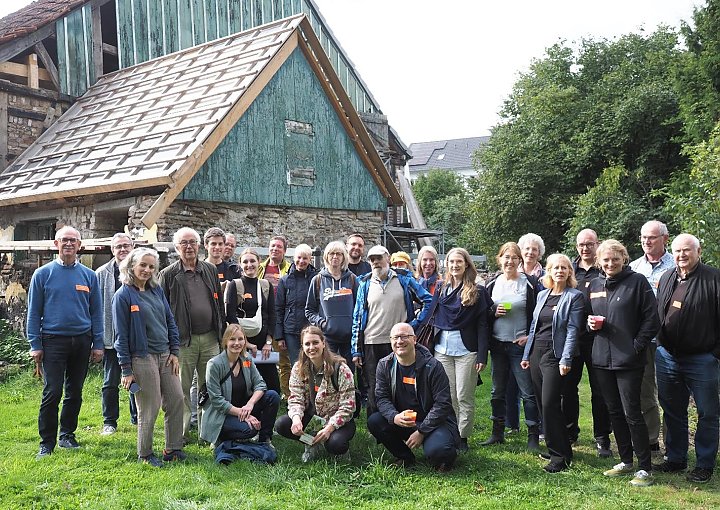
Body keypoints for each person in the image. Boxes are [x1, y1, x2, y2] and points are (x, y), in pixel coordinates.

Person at [28, 226, 104, 459]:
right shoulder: (42, 274)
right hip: (53, 341)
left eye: (73, 240)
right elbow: (33, 312)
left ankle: (67, 436)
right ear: (56, 244)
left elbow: (96, 312)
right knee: (53, 391)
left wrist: (98, 344)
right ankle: (46, 443)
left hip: (82, 340)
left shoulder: (89, 276)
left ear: (80, 246)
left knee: (75, 391)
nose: (69, 244)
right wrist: (35, 344)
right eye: (64, 240)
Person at [588, 240, 659, 487]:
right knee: (614, 411)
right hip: (601, 359)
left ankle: (645, 468)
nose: (610, 264)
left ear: (624, 258)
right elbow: (594, 315)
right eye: (605, 260)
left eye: (615, 259)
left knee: (632, 412)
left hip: (629, 360)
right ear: (599, 261)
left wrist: (636, 346)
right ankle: (626, 461)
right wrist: (591, 324)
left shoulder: (637, 282)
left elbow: (653, 319)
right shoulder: (595, 284)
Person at [654, 233, 720, 484]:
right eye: (678, 251)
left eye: (687, 250)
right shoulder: (668, 276)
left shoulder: (714, 278)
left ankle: (704, 464)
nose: (682, 255)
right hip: (668, 356)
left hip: (702, 358)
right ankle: (676, 458)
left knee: (707, 412)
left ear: (698, 251)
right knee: (672, 410)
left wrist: (715, 353)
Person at [113, 248, 185, 467]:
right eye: (143, 265)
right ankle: (145, 454)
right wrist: (126, 369)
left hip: (165, 354)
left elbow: (170, 321)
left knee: (176, 398)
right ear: (131, 265)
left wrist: (174, 351)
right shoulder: (123, 296)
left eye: (151, 267)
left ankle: (173, 448)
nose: (147, 270)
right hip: (141, 358)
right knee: (149, 405)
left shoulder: (156, 291)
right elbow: (120, 336)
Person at [159, 227, 225, 441]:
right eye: (183, 243)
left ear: (199, 245)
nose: (188, 247)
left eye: (192, 242)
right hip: (182, 342)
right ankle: (181, 433)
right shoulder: (168, 275)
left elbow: (218, 304)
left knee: (210, 386)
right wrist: (169, 344)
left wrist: (220, 332)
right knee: (182, 389)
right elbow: (162, 312)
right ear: (177, 248)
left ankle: (208, 432)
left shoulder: (210, 270)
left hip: (209, 338)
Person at [521, 254, 584, 472]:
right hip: (537, 352)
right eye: (555, 267)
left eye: (564, 267)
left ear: (569, 272)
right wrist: (526, 355)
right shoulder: (542, 296)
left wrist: (566, 358)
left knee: (550, 403)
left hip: (555, 355)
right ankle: (557, 447)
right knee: (541, 403)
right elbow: (533, 328)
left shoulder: (574, 297)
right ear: (548, 271)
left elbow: (573, 330)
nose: (559, 271)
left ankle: (560, 457)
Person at [351, 245, 432, 415]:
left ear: (387, 258)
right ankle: (376, 428)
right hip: (371, 343)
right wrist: (356, 350)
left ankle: (401, 425)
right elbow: (357, 318)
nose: (375, 262)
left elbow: (429, 301)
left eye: (379, 258)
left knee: (401, 385)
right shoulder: (364, 283)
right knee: (374, 387)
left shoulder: (404, 280)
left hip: (399, 342)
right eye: (372, 259)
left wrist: (414, 325)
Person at [367, 322, 460, 471]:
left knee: (441, 453)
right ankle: (405, 456)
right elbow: (382, 398)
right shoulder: (384, 365)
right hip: (404, 421)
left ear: (415, 339)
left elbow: (442, 404)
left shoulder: (433, 366)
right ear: (390, 341)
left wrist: (422, 431)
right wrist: (394, 417)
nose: (399, 341)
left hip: (433, 423)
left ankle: (443, 449)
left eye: (405, 336)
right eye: (395, 337)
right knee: (375, 421)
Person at [430, 248, 492, 453]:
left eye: (459, 261)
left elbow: (483, 325)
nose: (455, 265)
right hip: (442, 350)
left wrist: (482, 354)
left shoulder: (477, 290)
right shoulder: (440, 288)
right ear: (446, 264)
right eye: (451, 261)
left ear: (466, 264)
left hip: (467, 350)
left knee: (464, 395)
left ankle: (463, 437)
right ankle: (450, 433)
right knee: (448, 396)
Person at [481, 242, 541, 451]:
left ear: (520, 261)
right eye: (506, 257)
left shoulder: (530, 284)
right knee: (497, 390)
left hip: (519, 346)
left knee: (527, 391)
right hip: (498, 344)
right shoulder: (492, 284)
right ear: (499, 259)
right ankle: (497, 432)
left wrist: (529, 336)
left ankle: (533, 435)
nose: (510, 261)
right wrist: (492, 312)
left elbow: (538, 314)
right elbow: (484, 312)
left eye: (514, 257)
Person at [275, 326, 357, 462]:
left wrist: (330, 428)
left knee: (335, 444)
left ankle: (339, 450)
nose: (311, 347)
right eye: (307, 344)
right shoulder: (298, 368)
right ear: (302, 346)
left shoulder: (341, 368)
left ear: (323, 343)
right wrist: (296, 419)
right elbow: (296, 398)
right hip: (313, 418)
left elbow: (348, 407)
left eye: (315, 342)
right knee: (282, 424)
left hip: (338, 420)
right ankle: (311, 444)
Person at [200, 324, 280, 456]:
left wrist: (250, 404)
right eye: (232, 339)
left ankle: (264, 439)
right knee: (250, 429)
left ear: (245, 341)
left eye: (240, 339)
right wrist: (243, 414)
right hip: (222, 413)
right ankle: (221, 437)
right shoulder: (214, 364)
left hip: (243, 407)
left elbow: (260, 384)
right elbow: (217, 401)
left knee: (272, 396)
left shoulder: (246, 359)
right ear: (225, 341)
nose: (237, 343)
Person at [629, 220, 674, 455]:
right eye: (643, 237)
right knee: (645, 391)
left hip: (671, 339)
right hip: (645, 338)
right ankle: (650, 440)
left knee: (670, 393)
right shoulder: (635, 267)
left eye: (652, 237)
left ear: (665, 239)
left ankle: (672, 444)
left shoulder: (677, 264)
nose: (647, 241)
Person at [568, 228, 612, 457]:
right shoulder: (569, 269)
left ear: (598, 244)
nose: (585, 248)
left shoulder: (605, 268)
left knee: (600, 390)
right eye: (581, 245)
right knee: (568, 387)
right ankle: (570, 433)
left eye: (589, 244)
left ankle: (602, 438)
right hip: (573, 338)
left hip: (599, 338)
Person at [96, 233, 138, 435]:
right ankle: (109, 421)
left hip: (136, 339)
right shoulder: (101, 274)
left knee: (136, 380)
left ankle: (137, 417)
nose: (122, 250)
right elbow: (94, 309)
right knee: (110, 381)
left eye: (126, 246)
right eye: (118, 247)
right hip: (111, 339)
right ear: (112, 250)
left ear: (133, 247)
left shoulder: (141, 271)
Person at [226, 248, 279, 393]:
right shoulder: (234, 285)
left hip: (264, 346)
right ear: (240, 265)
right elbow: (230, 317)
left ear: (259, 263)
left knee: (273, 386)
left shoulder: (266, 285)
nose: (249, 265)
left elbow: (272, 314)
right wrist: (246, 344)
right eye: (245, 262)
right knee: (246, 387)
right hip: (241, 345)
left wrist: (269, 342)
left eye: (252, 261)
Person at [305, 241, 358, 369]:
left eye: (339, 254)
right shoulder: (318, 280)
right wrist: (322, 323)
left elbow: (359, 308)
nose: (335, 257)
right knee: (329, 370)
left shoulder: (352, 279)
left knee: (348, 372)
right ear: (326, 257)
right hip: (328, 337)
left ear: (344, 257)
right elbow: (309, 310)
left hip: (349, 337)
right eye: (332, 253)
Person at [258, 235, 292, 398]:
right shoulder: (260, 268)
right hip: (261, 317)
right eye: (272, 246)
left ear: (284, 250)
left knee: (283, 359)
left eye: (279, 247)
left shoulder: (289, 269)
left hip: (281, 318)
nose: (275, 249)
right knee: (258, 357)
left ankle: (286, 393)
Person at [275, 244, 317, 365]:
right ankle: (298, 384)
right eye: (299, 258)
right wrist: (280, 336)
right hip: (291, 330)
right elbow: (279, 308)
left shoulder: (316, 279)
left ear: (310, 260)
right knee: (297, 364)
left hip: (311, 329)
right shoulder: (285, 280)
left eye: (305, 258)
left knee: (313, 362)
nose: (301, 261)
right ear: (294, 258)